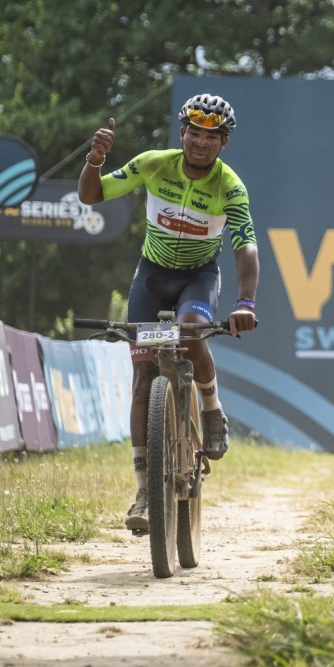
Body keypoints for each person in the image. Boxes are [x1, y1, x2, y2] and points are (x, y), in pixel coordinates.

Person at [78, 93, 259, 533]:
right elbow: (91, 196)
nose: (200, 142)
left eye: (210, 136)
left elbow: (245, 245)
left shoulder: (230, 186)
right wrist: (95, 160)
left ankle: (212, 407)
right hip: (151, 275)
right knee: (143, 376)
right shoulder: (155, 163)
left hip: (199, 276)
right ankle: (144, 489)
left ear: (223, 143)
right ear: (182, 134)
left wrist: (245, 303)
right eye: (193, 133)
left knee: (193, 329)